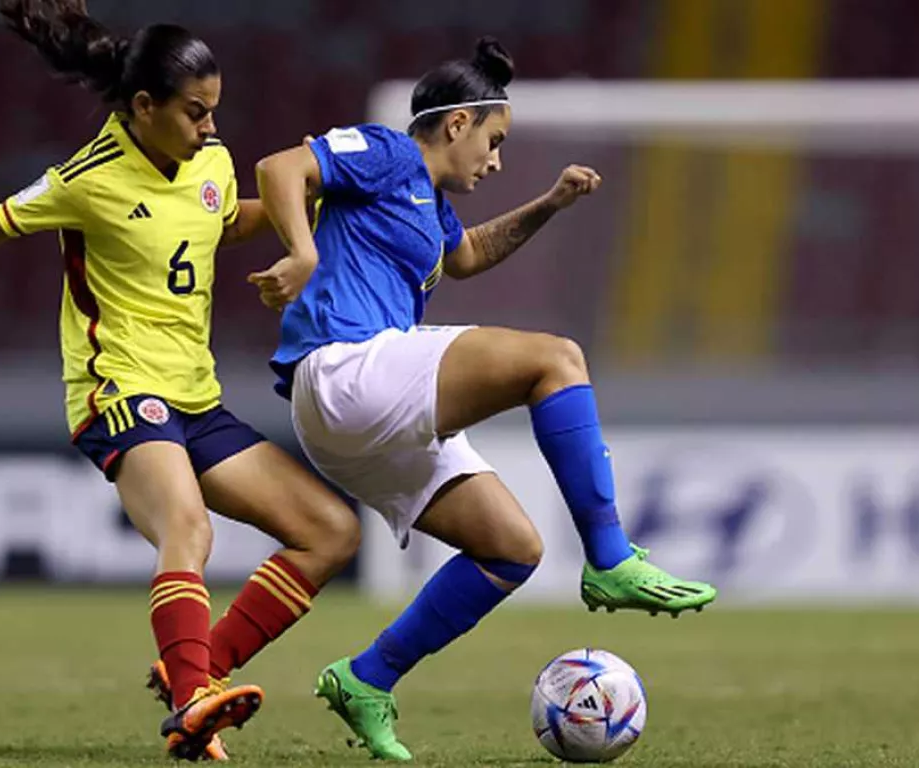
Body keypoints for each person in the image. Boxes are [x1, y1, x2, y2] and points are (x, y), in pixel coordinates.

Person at [0, 0, 360, 760]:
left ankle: (196, 672)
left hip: (194, 399)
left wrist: (312, 201)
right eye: (195, 112)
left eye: (215, 111)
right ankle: (191, 701)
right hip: (117, 393)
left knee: (329, 533)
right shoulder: (88, 178)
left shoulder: (209, 163)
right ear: (143, 107)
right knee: (189, 528)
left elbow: (221, 217)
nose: (211, 128)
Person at [249, 38, 718, 761]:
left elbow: (465, 257)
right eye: (494, 141)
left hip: (357, 421)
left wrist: (551, 205)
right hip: (344, 368)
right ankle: (611, 557)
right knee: (555, 359)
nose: (495, 161)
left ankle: (366, 678)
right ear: (458, 123)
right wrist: (303, 251)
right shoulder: (387, 152)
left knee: (511, 549)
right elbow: (281, 166)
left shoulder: (429, 210)